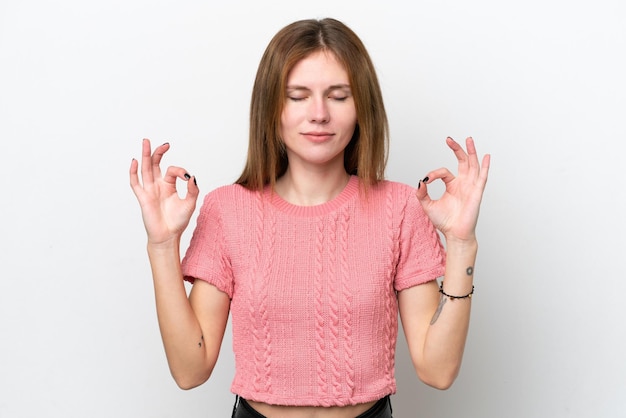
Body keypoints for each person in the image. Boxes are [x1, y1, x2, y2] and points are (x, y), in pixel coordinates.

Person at [129, 17, 490, 418]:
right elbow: (189, 371)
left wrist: (461, 244)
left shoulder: (400, 208)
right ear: (271, 108)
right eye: (297, 96)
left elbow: (437, 371)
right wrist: (162, 246)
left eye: (338, 96)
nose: (319, 114)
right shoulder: (227, 209)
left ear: (361, 107)